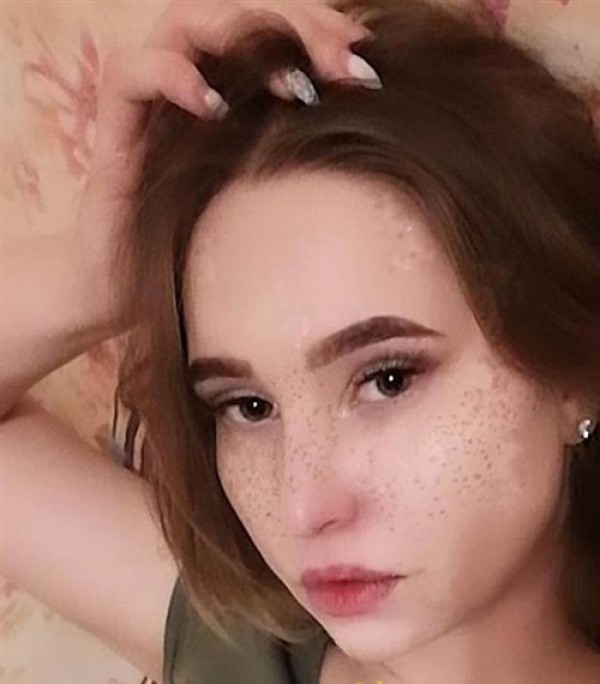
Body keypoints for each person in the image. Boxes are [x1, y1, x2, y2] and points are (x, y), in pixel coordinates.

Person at [1, 0, 599, 682]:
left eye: (388, 379)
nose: (303, 508)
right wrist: (97, 276)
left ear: (574, 377)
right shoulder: (243, 648)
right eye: (248, 406)